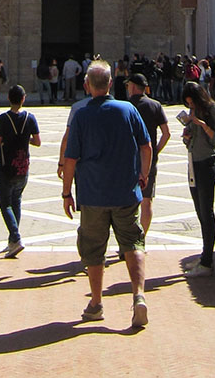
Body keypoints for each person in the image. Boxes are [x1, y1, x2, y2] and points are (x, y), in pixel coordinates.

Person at [62, 59, 152, 328]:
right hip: (126, 192)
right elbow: (146, 146)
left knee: (93, 249)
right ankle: (138, 296)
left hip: (92, 194)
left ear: (87, 85)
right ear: (111, 84)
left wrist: (67, 192)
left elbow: (70, 159)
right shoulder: (128, 110)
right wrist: (143, 175)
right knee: (133, 243)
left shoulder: (81, 115)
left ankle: (96, 303)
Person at [0, 84, 41, 256]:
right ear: (24, 99)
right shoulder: (30, 118)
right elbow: (38, 142)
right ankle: (12, 240)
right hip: (23, 167)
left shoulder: (3, 119)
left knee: (5, 203)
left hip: (5, 167)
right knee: (16, 200)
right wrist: (25, 139)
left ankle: (15, 238)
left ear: (9, 98)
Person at [180, 79, 215, 277]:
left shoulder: (213, 110)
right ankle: (204, 254)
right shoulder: (193, 111)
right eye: (188, 104)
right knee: (200, 211)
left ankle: (208, 262)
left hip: (207, 164)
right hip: (193, 163)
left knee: (207, 212)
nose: (190, 107)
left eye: (192, 103)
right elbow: (188, 139)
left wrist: (203, 125)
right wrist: (187, 135)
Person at [127, 73, 170, 237]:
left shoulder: (126, 106)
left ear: (132, 86)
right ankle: (141, 239)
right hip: (149, 159)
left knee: (128, 203)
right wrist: (156, 150)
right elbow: (166, 133)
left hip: (128, 160)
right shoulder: (155, 105)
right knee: (147, 201)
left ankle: (128, 244)